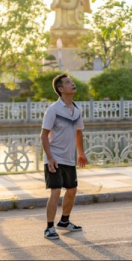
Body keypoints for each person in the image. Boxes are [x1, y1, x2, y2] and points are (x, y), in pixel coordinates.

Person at [40, 74, 88, 240]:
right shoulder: (53, 110)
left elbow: (79, 132)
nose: (72, 84)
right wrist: (50, 157)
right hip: (54, 158)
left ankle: (64, 221)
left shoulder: (76, 110)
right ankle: (49, 227)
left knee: (72, 190)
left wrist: (81, 153)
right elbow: (44, 135)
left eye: (72, 81)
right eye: (68, 82)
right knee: (55, 192)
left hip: (69, 158)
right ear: (61, 89)